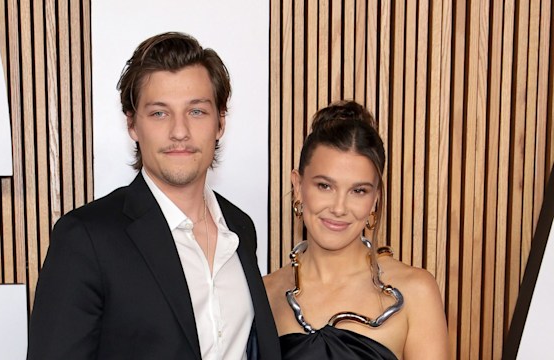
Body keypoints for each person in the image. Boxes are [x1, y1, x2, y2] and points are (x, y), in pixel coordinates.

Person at [27, 32, 280, 360]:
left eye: (197, 111)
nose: (179, 131)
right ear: (132, 124)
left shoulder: (240, 228)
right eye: (160, 113)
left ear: (220, 122)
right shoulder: (86, 238)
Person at [263, 101, 449, 359]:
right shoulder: (265, 293)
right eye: (324, 186)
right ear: (298, 185)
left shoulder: (416, 292)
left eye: (358, 191)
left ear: (375, 199)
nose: (339, 208)